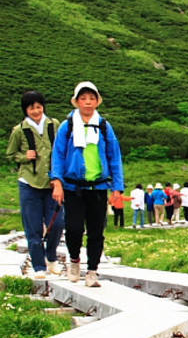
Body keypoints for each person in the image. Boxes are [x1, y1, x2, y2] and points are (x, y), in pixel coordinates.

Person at [50, 82, 123, 287]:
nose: (88, 102)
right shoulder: (68, 125)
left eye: (91, 98)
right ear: (77, 101)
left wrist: (117, 187)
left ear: (97, 101)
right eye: (83, 98)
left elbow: (114, 156)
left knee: (96, 231)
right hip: (73, 187)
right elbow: (58, 154)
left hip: (98, 187)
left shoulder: (104, 126)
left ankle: (92, 271)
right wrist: (56, 181)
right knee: (73, 229)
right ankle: (74, 261)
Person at [6, 91, 64, 278]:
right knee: (33, 228)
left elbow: (62, 149)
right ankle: (39, 266)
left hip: (52, 183)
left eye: (39, 106)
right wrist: (24, 157)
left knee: (57, 223)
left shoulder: (53, 125)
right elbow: (10, 154)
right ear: (26, 109)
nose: (36, 111)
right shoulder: (19, 130)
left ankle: (52, 257)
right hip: (29, 183)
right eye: (31, 107)